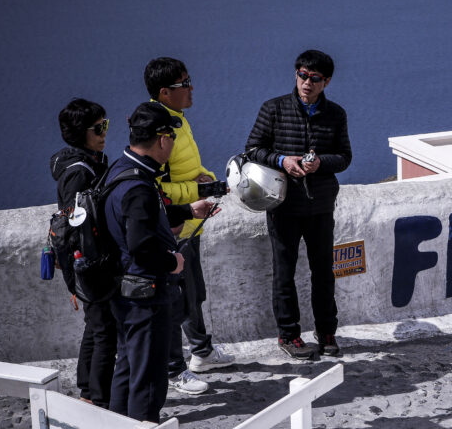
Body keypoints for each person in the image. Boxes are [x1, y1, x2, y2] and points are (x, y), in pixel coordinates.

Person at [103, 102, 216, 422]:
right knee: (149, 382)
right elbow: (141, 246)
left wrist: (187, 211)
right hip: (145, 295)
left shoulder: (122, 169)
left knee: (127, 371)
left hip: (124, 293)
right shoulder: (139, 186)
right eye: (172, 138)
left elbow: (144, 219)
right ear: (163, 138)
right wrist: (172, 263)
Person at [245, 49, 352, 358]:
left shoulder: (336, 115)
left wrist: (320, 163)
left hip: (320, 205)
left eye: (315, 78)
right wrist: (282, 160)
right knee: (284, 272)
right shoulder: (273, 109)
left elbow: (344, 157)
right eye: (302, 75)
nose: (307, 82)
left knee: (323, 272)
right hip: (283, 205)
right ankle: (288, 335)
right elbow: (252, 149)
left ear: (326, 81)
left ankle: (327, 331)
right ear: (296, 74)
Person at [145, 57, 233, 391]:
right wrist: (199, 191)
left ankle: (202, 350)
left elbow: (184, 169)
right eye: (185, 83)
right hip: (172, 226)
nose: (192, 88)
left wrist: (207, 181)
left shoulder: (178, 119)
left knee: (193, 292)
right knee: (173, 299)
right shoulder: (158, 127)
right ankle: (173, 369)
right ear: (165, 92)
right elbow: (153, 186)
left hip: (189, 223)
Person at [49, 99, 116, 407]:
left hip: (85, 261)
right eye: (98, 128)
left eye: (105, 125)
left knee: (96, 325)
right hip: (89, 261)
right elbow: (76, 223)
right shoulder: (79, 171)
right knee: (105, 331)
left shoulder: (87, 160)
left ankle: (86, 391)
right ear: (81, 132)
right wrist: (82, 273)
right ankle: (97, 399)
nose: (105, 132)